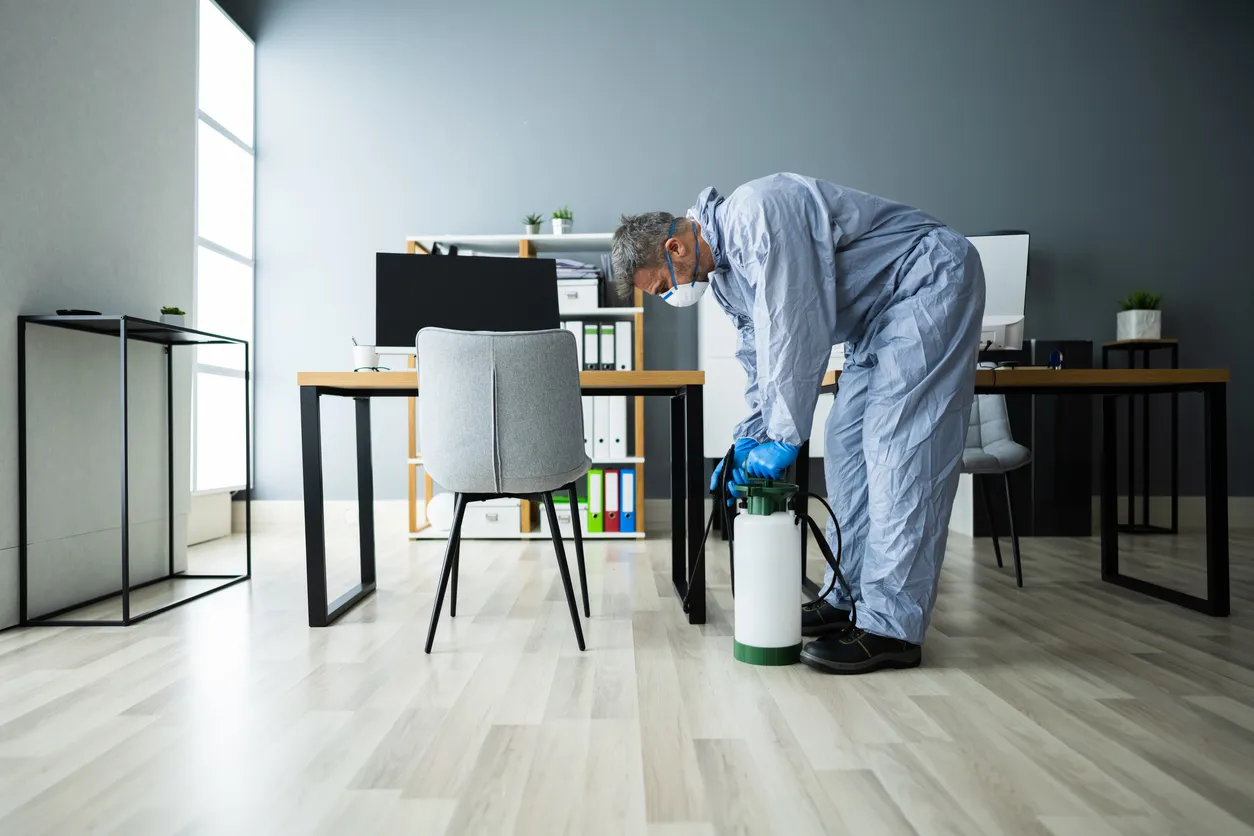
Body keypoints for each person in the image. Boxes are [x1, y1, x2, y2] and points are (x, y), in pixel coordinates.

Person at [611, 173, 985, 674]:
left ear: (675, 247)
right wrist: (749, 439)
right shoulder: (724, 278)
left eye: (662, 287)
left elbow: (794, 324)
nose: (670, 296)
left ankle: (891, 627)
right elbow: (758, 359)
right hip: (877, 318)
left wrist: (784, 435)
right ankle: (847, 597)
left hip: (925, 282)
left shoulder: (757, 214)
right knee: (846, 446)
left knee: (898, 450)